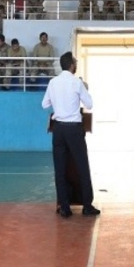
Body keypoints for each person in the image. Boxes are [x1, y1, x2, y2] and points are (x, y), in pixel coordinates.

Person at [42, 52, 99, 218]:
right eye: (75, 62)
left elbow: (44, 104)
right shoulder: (76, 82)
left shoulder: (53, 83)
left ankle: (64, 207)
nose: (76, 65)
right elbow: (89, 104)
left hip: (58, 130)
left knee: (60, 169)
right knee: (82, 166)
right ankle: (87, 205)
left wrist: (58, 105)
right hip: (74, 129)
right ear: (71, 65)